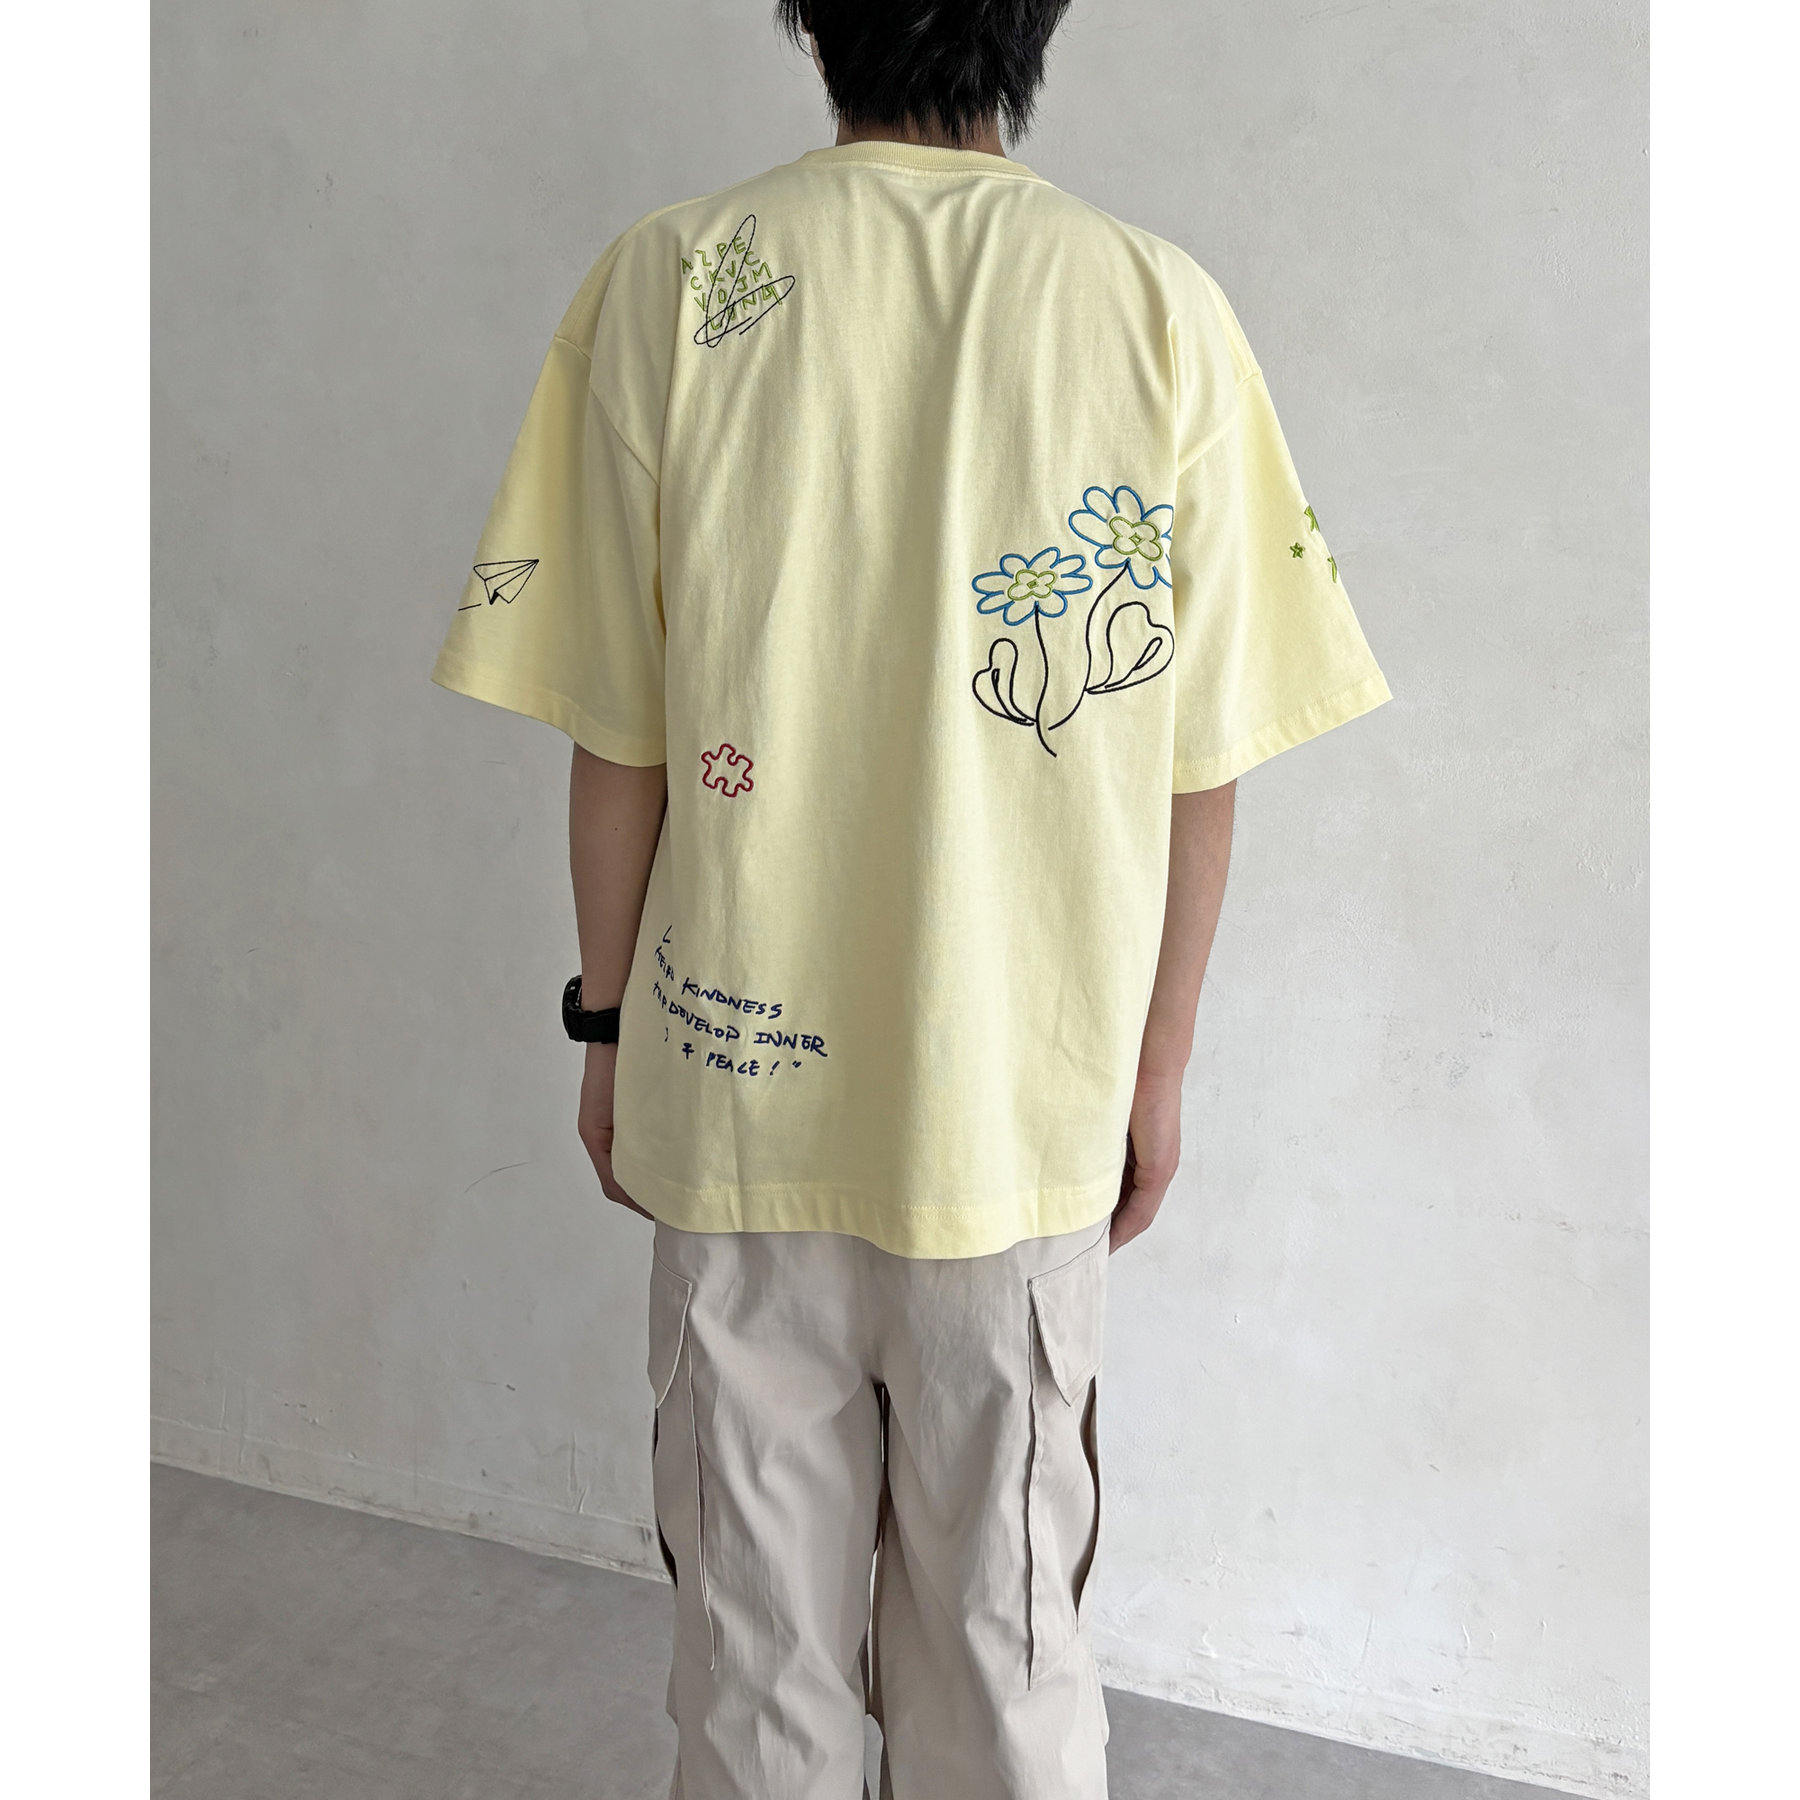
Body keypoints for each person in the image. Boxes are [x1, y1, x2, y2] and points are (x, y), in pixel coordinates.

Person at [431, 3, 1388, 1794]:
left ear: (811, 14)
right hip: (1018, 1117)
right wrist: (1156, 1071)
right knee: (1005, 1663)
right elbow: (1201, 764)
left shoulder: (672, 280)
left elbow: (617, 736)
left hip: (737, 1100)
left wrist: (609, 1030)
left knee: (755, 1673)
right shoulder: (1155, 306)